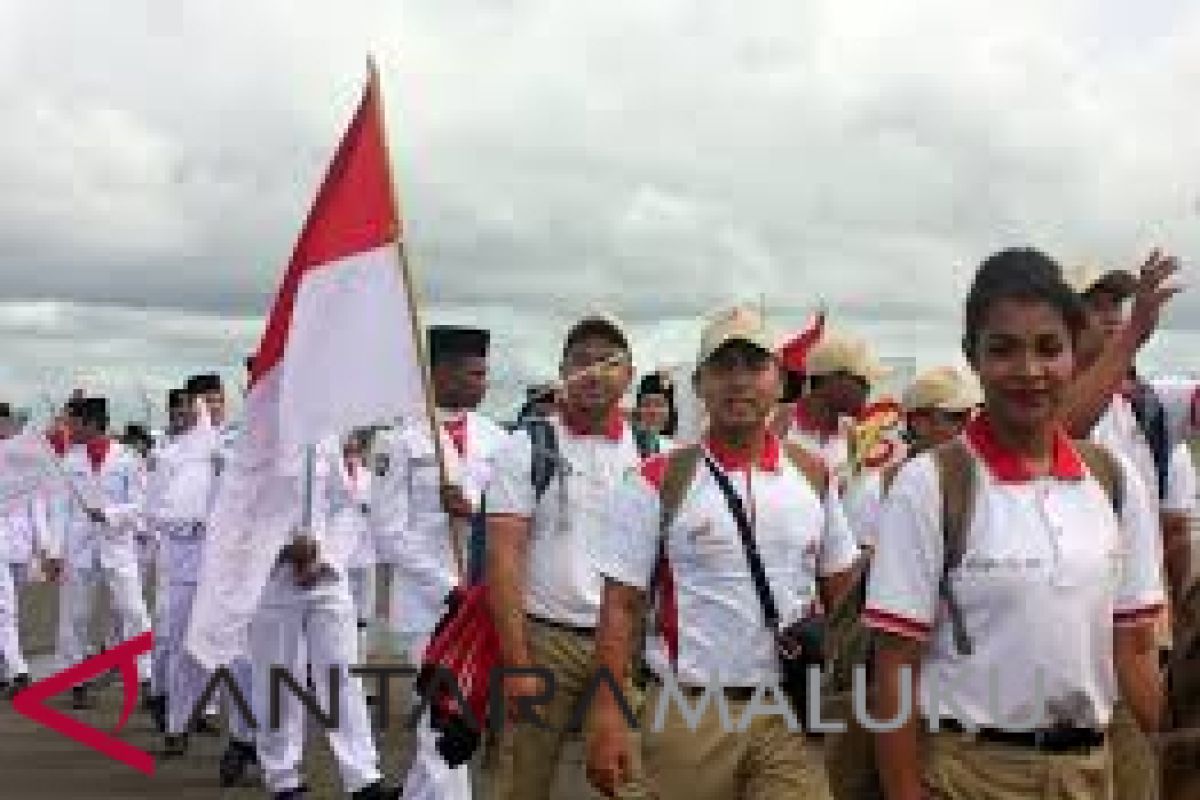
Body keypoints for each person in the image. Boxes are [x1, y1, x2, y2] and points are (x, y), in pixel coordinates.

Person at [867, 248, 1166, 800]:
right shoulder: (930, 484)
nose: (1029, 371)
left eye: (1048, 348)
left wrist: (1174, 748)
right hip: (969, 775)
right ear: (972, 357)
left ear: (1075, 352)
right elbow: (894, 666)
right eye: (1003, 350)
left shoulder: (1114, 480)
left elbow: (1136, 647)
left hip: (1091, 774)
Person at [585, 304, 858, 799]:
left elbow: (842, 595)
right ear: (700, 384)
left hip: (790, 712)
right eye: (723, 367)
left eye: (754, 366)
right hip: (687, 712)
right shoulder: (657, 481)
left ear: (779, 382)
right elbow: (620, 606)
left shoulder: (814, 478)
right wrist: (609, 713)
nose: (739, 381)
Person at [486, 313, 644, 800]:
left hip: (623, 645)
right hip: (545, 638)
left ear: (629, 375)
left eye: (608, 361)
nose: (593, 373)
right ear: (562, 370)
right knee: (522, 783)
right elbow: (504, 559)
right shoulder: (528, 445)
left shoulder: (652, 451)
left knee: (632, 779)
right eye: (581, 361)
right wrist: (517, 662)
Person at [825, 366, 979, 800]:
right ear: (920, 421)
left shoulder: (981, 484)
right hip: (889, 657)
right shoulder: (879, 486)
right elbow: (858, 573)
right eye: (952, 417)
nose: (964, 426)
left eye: (966, 416)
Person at [371, 325, 508, 800]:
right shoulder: (400, 441)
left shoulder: (497, 439)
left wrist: (470, 509)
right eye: (475, 373)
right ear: (443, 373)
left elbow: (506, 517)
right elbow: (387, 533)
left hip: (479, 603)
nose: (484, 383)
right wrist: (446, 585)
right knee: (446, 721)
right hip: (429, 606)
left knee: (448, 721)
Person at [56, 396, 152, 709]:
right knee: (76, 614)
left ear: (91, 424)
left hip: (116, 543)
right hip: (80, 546)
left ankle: (147, 676)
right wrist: (55, 551)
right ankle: (76, 680)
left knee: (133, 610)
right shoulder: (69, 461)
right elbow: (60, 510)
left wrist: (110, 514)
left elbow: (142, 505)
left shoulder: (127, 458)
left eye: (74, 423)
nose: (69, 428)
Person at [0, 403, 60, 696]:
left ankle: (5, 669)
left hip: (20, 548)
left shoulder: (23, 463)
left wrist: (47, 550)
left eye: (6, 424)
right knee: (5, 609)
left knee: (10, 611)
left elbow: (37, 509)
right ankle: (19, 671)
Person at [779, 331, 890, 484]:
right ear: (835, 380)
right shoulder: (779, 428)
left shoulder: (854, 438)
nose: (868, 390)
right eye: (863, 381)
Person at [631, 371, 678, 455]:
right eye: (646, 404)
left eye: (659, 404)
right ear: (637, 410)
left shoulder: (673, 451)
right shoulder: (625, 443)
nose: (652, 410)